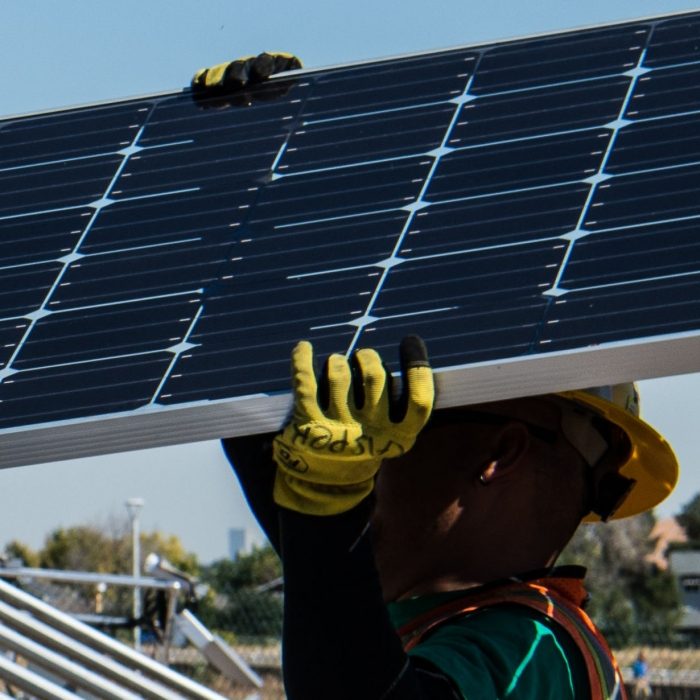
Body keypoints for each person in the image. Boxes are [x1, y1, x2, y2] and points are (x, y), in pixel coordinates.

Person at [194, 57, 679, 699]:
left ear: (498, 453)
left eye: (397, 415)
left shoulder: (535, 648)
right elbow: (299, 505)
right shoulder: (421, 617)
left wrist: (326, 504)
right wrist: (233, 184)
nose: (361, 445)